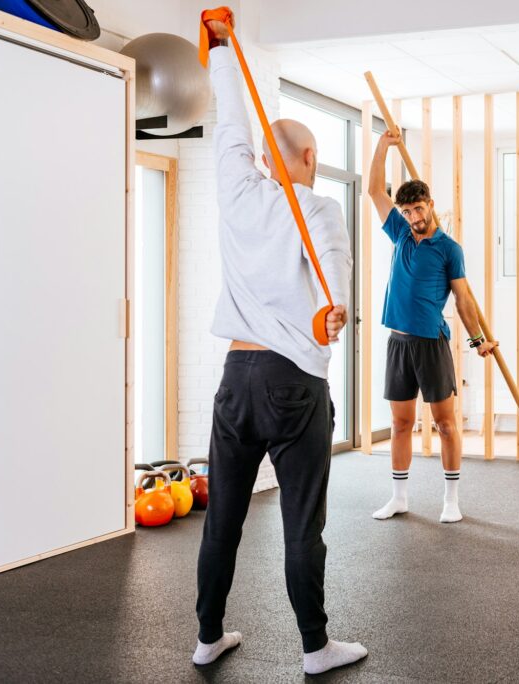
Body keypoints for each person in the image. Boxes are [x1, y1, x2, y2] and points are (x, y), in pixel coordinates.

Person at [192, 17, 367, 676]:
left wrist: (220, 49)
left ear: (265, 160)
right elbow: (333, 277)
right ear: (313, 160)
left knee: (223, 522)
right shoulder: (317, 209)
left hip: (235, 378)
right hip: (293, 382)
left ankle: (207, 636)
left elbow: (232, 120)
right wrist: (331, 313)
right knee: (301, 525)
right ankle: (316, 648)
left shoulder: (238, 192)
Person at [367, 130, 497, 524]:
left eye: (418, 210)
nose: (413, 218)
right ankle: (399, 497)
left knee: (444, 423)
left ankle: (451, 500)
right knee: (401, 423)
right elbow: (374, 190)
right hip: (398, 344)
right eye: (407, 212)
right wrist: (382, 146)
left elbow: (463, 299)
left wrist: (478, 340)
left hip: (430, 344)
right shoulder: (400, 236)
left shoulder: (449, 249)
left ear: (430, 205)